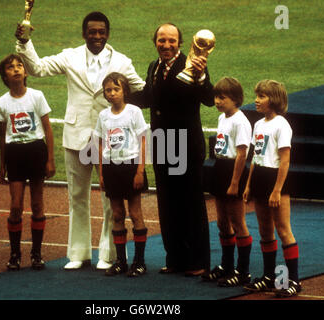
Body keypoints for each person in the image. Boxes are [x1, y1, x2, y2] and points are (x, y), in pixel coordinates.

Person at [14, 11, 145, 270]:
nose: (97, 36)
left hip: (110, 141)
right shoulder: (69, 56)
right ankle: (78, 253)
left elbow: (140, 88)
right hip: (76, 134)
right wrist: (24, 42)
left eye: (101, 32)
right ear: (84, 33)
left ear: (107, 33)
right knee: (77, 195)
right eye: (92, 32)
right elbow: (37, 68)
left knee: (111, 198)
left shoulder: (122, 61)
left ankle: (109, 255)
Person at [129, 23, 214, 276]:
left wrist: (200, 77)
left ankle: (197, 262)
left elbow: (209, 98)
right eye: (161, 40)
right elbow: (149, 98)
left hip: (186, 145)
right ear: (154, 41)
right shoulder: (154, 67)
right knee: (167, 203)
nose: (166, 45)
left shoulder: (193, 63)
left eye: (171, 41)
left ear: (179, 43)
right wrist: (121, 96)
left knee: (190, 203)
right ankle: (176, 258)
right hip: (163, 143)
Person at [0, 54, 55, 271]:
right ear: (5, 75)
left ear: (26, 72)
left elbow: (47, 129)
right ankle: (15, 254)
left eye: (19, 65)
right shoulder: (1, 102)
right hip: (15, 153)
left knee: (38, 204)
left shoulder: (37, 96)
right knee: (15, 206)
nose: (16, 69)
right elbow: (2, 135)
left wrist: (50, 159)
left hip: (36, 150)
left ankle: (36, 253)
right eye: (11, 67)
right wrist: (2, 165)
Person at [243, 79, 301, 297]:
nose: (256, 100)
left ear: (274, 100)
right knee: (265, 231)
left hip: (275, 178)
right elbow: (255, 158)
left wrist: (277, 189)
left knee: (283, 230)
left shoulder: (281, 125)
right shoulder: (258, 125)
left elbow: (285, 160)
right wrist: (248, 185)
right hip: (259, 177)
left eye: (262, 96)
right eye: (257, 95)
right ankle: (269, 276)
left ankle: (291, 280)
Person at [94, 72, 149, 277]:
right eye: (108, 90)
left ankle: (140, 262)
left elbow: (143, 141)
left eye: (116, 89)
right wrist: (101, 173)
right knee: (117, 214)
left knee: (135, 214)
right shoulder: (103, 115)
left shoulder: (134, 112)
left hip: (131, 166)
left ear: (124, 91)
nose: (112, 93)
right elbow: (100, 144)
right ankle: (121, 261)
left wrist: (140, 171)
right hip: (111, 169)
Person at [201, 77, 253, 286]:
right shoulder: (223, 118)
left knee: (238, 222)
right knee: (222, 221)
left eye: (222, 98)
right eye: (216, 97)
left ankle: (243, 271)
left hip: (234, 170)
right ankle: (227, 265)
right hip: (220, 168)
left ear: (236, 99)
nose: (217, 101)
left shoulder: (240, 121)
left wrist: (235, 182)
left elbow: (242, 154)